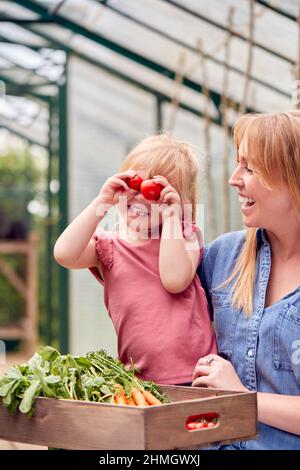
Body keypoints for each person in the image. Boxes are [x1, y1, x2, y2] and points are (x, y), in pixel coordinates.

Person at [54, 133, 217, 385]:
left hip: (196, 374)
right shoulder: (109, 247)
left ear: (178, 202)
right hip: (138, 380)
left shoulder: (185, 236)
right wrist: (102, 201)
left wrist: (174, 217)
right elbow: (64, 253)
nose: (141, 195)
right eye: (135, 184)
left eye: (158, 191)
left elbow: (174, 280)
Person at [193, 111, 300, 450]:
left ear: (292, 178)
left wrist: (241, 395)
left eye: (250, 168)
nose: (233, 179)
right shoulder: (224, 256)